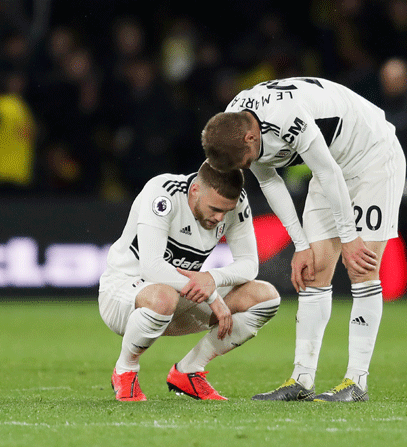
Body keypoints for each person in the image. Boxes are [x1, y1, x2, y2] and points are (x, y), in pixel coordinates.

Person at [202, 76, 406, 402]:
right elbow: (270, 181)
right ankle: (302, 380)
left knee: (362, 267)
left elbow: (326, 171)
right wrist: (300, 244)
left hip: (371, 155)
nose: (249, 166)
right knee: (313, 271)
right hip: (331, 164)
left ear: (252, 137)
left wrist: (350, 237)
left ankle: (357, 381)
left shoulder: (285, 116)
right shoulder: (234, 125)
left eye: (247, 161)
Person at [98, 161, 281, 401]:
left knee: (265, 297)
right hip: (122, 295)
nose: (219, 218)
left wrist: (211, 278)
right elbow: (152, 267)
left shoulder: (234, 202)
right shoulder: (163, 192)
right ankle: (125, 370)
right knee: (164, 296)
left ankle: (189, 371)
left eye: (226, 211)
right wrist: (212, 295)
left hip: (179, 299)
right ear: (194, 190)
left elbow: (249, 264)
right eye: (214, 208)